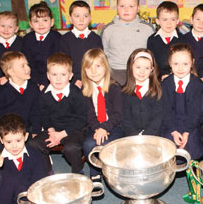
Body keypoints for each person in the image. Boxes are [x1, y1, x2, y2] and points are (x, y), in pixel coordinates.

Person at [28, 52, 88, 175]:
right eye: (54, 74)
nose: (58, 78)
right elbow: (44, 115)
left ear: (70, 76)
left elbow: (82, 119)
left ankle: (78, 172)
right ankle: (47, 170)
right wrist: (52, 132)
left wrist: (62, 135)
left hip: (73, 130)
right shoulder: (44, 94)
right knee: (34, 144)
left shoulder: (76, 93)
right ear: (48, 76)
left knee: (71, 148)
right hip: (53, 128)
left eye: (63, 74)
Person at [81, 49, 123, 181]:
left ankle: (113, 173)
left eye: (98, 66)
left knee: (108, 144)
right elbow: (89, 115)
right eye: (89, 67)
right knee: (88, 144)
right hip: (95, 126)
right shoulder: (86, 90)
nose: (93, 71)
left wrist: (105, 128)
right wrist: (98, 128)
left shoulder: (115, 88)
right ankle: (95, 173)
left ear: (105, 67)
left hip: (114, 126)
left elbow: (118, 114)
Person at [102, 0, 154, 86]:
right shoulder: (108, 29)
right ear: (117, 7)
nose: (126, 10)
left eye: (131, 6)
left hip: (141, 74)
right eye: (122, 6)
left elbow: (152, 53)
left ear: (138, 8)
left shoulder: (148, 29)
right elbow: (104, 54)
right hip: (115, 74)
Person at [161, 43, 203, 159]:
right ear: (170, 63)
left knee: (191, 145)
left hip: (191, 125)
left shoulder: (197, 84)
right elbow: (165, 110)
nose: (180, 68)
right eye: (176, 64)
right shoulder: (165, 84)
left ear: (192, 63)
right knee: (168, 145)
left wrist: (187, 131)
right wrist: (173, 131)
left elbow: (196, 112)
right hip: (171, 125)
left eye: (185, 64)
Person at [0, 51, 41, 140]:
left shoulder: (33, 88)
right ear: (10, 71)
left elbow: (36, 112)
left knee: (35, 148)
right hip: (7, 134)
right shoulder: (2, 93)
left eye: (27, 65)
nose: (28, 68)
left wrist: (36, 131)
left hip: (26, 132)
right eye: (23, 66)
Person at [60, 0, 103, 88]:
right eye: (77, 16)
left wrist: (91, 78)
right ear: (70, 19)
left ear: (90, 18)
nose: (81, 19)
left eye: (85, 16)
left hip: (93, 80)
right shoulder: (64, 40)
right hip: (72, 82)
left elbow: (99, 62)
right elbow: (63, 63)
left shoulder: (96, 39)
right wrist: (75, 79)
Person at [0, 113, 46, 188]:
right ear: (1, 140)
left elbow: (40, 179)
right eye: (9, 142)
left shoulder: (34, 154)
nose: (14, 146)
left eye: (18, 140)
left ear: (26, 136)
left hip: (32, 194)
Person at [121, 49, 162, 136]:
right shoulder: (124, 92)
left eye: (147, 68)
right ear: (131, 67)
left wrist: (146, 136)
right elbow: (125, 119)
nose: (142, 71)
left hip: (153, 135)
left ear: (152, 69)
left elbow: (158, 118)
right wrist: (135, 135)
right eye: (138, 67)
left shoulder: (158, 91)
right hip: (131, 135)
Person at [22, 1, 61, 89]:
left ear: (52, 22)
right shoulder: (27, 39)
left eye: (45, 20)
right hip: (31, 78)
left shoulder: (57, 38)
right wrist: (36, 82)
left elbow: (56, 63)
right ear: (31, 24)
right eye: (36, 21)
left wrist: (44, 82)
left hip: (53, 78)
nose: (41, 24)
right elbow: (27, 63)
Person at [0, 11, 23, 98]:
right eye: (2, 26)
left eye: (10, 27)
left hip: (19, 77)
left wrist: (10, 79)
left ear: (16, 29)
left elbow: (23, 65)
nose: (6, 30)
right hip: (2, 76)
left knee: (16, 94)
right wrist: (2, 78)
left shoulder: (22, 42)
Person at [147, 1, 184, 79]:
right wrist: (161, 76)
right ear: (157, 21)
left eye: (173, 19)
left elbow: (184, 61)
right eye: (165, 19)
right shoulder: (152, 40)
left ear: (177, 21)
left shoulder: (182, 39)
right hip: (158, 80)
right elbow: (151, 63)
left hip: (178, 77)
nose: (169, 23)